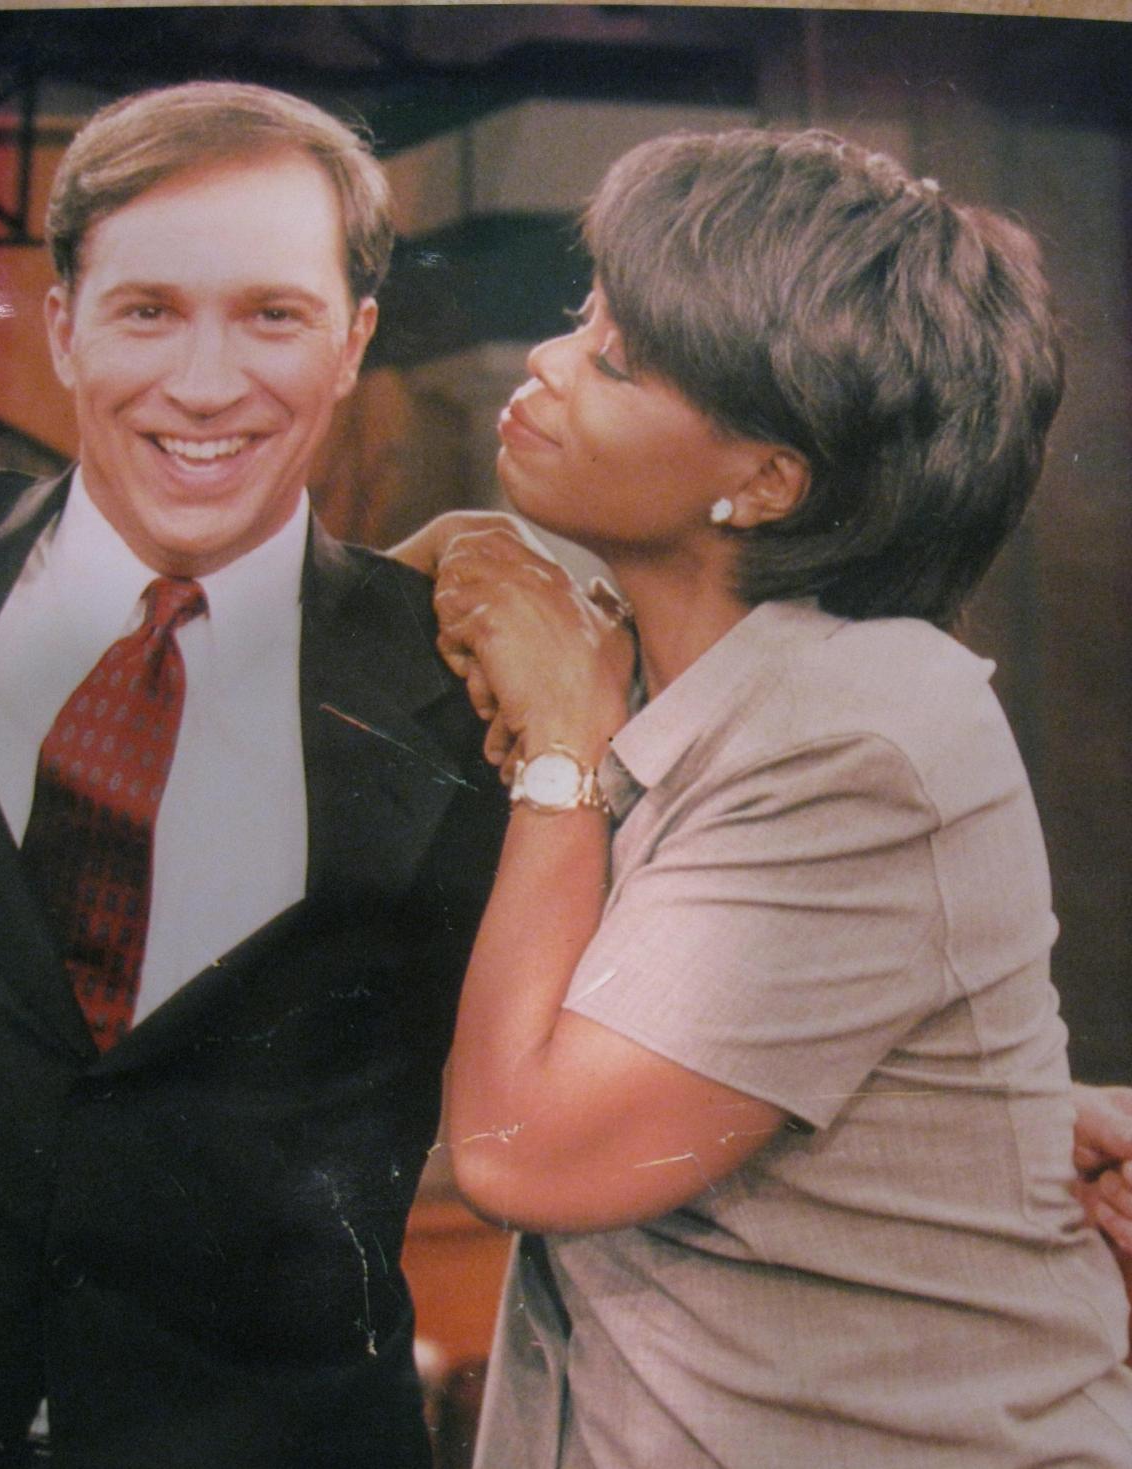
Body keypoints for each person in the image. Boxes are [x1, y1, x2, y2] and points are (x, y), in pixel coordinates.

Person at [397, 128, 1132, 1465]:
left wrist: (561, 753)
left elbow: (520, 1153)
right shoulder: (663, 672)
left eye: (618, 359)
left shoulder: (862, 730)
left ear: (767, 480)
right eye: (585, 316)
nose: (549, 361)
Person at [0, 82, 507, 1469]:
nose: (203, 384)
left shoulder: (469, 693)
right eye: (148, 311)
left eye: (272, 316)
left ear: (352, 341)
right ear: (61, 327)